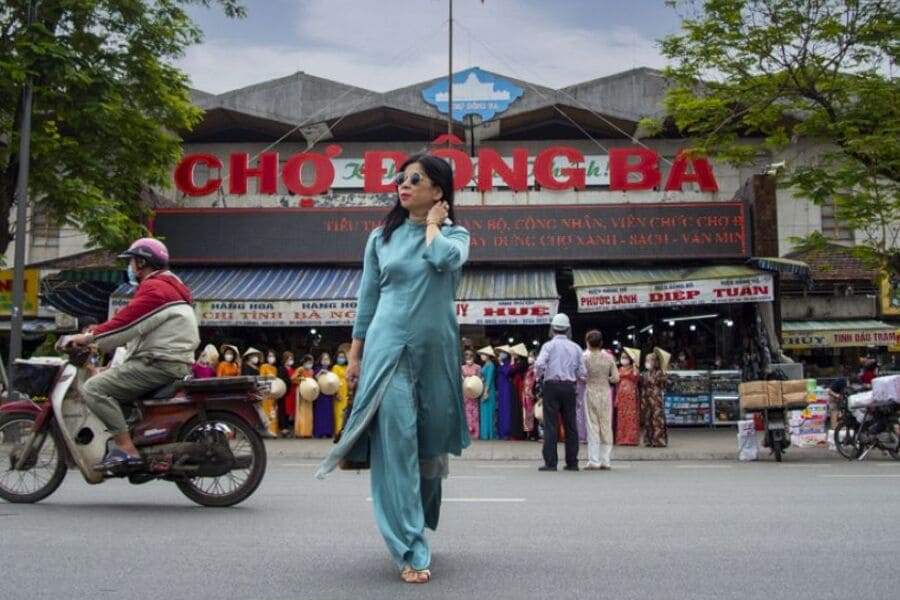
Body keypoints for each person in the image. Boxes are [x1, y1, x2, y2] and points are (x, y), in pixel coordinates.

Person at [316, 154, 471, 584]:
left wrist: (434, 225)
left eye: (415, 179)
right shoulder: (379, 239)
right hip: (387, 350)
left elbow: (443, 259)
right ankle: (409, 546)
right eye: (401, 178)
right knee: (398, 442)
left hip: (435, 354)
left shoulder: (456, 234)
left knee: (429, 448)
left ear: (438, 191)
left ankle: (417, 519)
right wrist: (355, 355)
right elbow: (367, 301)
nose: (403, 184)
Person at [66, 238, 199, 470]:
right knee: (119, 392)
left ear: (141, 262)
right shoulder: (172, 287)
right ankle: (144, 444)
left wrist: (87, 338)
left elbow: (124, 325)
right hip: (171, 361)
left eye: (131, 261)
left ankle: (126, 448)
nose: (130, 267)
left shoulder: (155, 289)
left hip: (159, 363)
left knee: (94, 388)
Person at [534, 313, 587, 471]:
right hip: (569, 387)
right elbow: (582, 371)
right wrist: (572, 374)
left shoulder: (548, 346)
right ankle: (572, 462)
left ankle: (551, 463)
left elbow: (539, 364)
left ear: (553, 329)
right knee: (571, 425)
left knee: (551, 425)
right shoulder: (576, 347)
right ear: (568, 329)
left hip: (551, 386)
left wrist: (540, 376)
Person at [583, 330, 619, 470]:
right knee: (606, 425)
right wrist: (605, 379)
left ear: (587, 342)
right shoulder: (609, 357)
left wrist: (588, 379)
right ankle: (606, 460)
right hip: (605, 393)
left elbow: (580, 375)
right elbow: (616, 378)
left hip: (591, 391)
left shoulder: (584, 357)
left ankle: (594, 460)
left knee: (593, 426)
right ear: (601, 343)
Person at [641, 348, 669, 448]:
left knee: (657, 420)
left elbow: (664, 384)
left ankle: (659, 441)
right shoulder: (645, 374)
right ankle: (648, 440)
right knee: (648, 419)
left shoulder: (659, 372)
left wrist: (664, 375)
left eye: (649, 361)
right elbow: (643, 387)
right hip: (647, 398)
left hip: (656, 398)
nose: (647, 363)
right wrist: (643, 401)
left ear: (655, 362)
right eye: (646, 361)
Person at [615, 347, 641, 446]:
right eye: (622, 357)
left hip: (631, 394)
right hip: (622, 393)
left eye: (625, 357)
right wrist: (617, 397)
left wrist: (635, 367)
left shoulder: (633, 368)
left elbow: (636, 378)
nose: (623, 359)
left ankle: (631, 439)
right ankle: (622, 438)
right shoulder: (619, 369)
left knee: (631, 416)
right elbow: (617, 382)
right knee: (622, 416)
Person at [313, 352, 335, 438]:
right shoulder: (317, 369)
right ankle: (319, 432)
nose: (326, 361)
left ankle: (328, 432)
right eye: (324, 359)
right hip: (320, 395)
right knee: (320, 414)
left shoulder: (330, 370)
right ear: (320, 360)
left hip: (328, 395)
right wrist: (320, 373)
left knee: (328, 414)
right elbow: (314, 379)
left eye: (327, 359)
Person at [461, 349, 482, 439]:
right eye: (467, 358)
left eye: (470, 358)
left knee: (475, 413)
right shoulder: (462, 367)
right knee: (466, 412)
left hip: (474, 391)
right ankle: (468, 433)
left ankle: (475, 433)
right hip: (466, 390)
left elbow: (480, 378)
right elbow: (460, 378)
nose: (469, 360)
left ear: (473, 358)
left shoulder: (478, 367)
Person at [293, 354, 315, 438]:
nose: (309, 364)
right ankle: (300, 432)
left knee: (309, 411)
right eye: (308, 362)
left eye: (311, 362)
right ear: (304, 362)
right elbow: (293, 378)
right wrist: (300, 379)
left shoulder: (311, 371)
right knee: (301, 410)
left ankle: (308, 432)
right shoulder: (300, 369)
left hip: (309, 391)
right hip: (301, 390)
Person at [478, 346, 497, 440]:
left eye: (484, 354)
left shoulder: (490, 365)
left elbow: (489, 380)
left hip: (488, 390)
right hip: (483, 389)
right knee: (484, 412)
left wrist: (486, 392)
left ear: (488, 356)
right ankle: (485, 434)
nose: (482, 356)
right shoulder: (486, 365)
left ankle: (489, 434)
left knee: (488, 412)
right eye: (481, 354)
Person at [332, 349, 350, 434]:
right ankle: (339, 431)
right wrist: (336, 393)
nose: (341, 359)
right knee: (339, 412)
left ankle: (346, 430)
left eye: (343, 357)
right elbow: (332, 381)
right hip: (339, 390)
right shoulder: (335, 367)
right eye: (340, 357)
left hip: (347, 391)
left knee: (346, 412)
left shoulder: (347, 367)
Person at [522, 349, 539, 440]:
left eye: (531, 356)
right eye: (529, 356)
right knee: (527, 412)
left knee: (533, 412)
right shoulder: (529, 368)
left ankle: (533, 433)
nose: (530, 358)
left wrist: (532, 391)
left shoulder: (536, 368)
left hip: (531, 392)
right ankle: (529, 432)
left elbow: (535, 380)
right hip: (526, 393)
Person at [277, 351, 296, 436]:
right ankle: (283, 428)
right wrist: (291, 380)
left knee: (289, 411)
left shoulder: (292, 369)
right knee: (283, 410)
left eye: (292, 359)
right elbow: (283, 380)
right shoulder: (281, 369)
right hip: (284, 391)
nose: (291, 360)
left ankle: (287, 427)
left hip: (292, 392)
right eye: (289, 359)